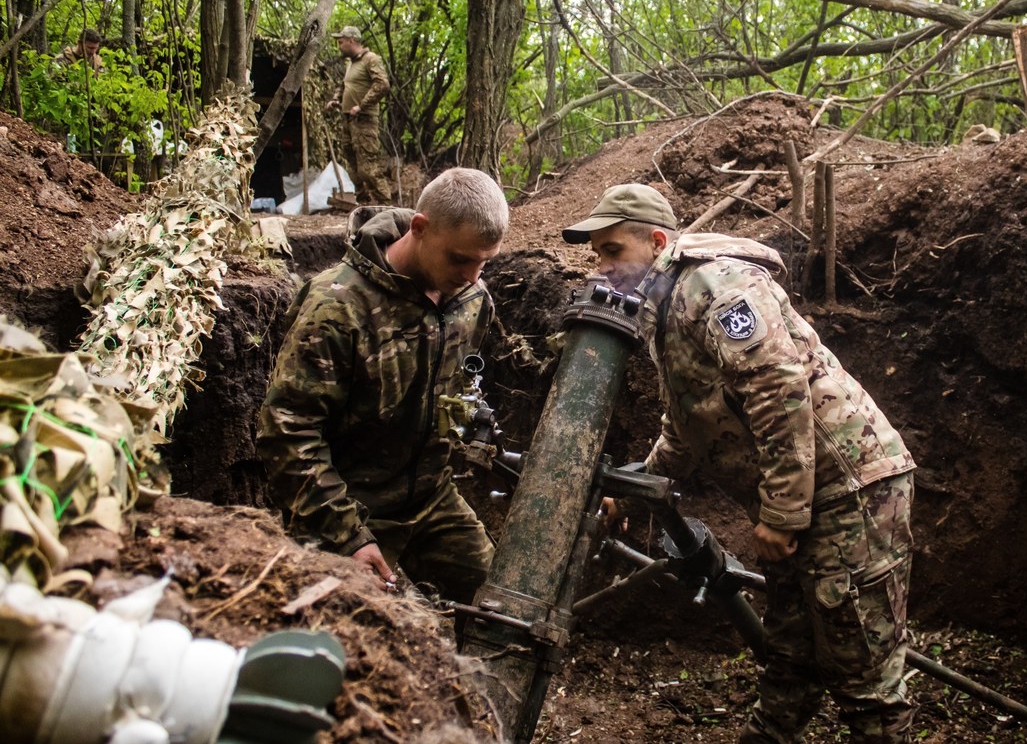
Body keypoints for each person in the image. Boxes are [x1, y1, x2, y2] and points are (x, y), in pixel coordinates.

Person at [563, 183, 917, 743]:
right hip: (811, 494)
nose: (601, 267)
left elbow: (779, 392)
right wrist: (631, 486)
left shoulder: (713, 284)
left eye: (612, 251)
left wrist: (781, 515)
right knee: (789, 655)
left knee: (863, 674)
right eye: (596, 254)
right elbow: (686, 430)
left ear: (656, 242)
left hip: (851, 489)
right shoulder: (666, 306)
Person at [258, 167, 509, 603]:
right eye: (459, 259)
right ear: (420, 228)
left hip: (432, 500)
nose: (472, 275)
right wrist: (349, 536)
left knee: (503, 603)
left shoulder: (471, 300)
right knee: (360, 638)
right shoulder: (336, 308)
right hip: (344, 505)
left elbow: (463, 384)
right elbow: (287, 433)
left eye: (484, 261)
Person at [326, 25, 392, 205]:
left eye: (341, 42)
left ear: (352, 41)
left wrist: (361, 106)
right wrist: (335, 99)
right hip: (348, 120)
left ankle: (387, 206)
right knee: (353, 167)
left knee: (368, 168)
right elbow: (344, 85)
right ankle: (363, 205)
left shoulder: (370, 59)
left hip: (364, 120)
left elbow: (382, 84)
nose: (339, 46)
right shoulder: (351, 64)